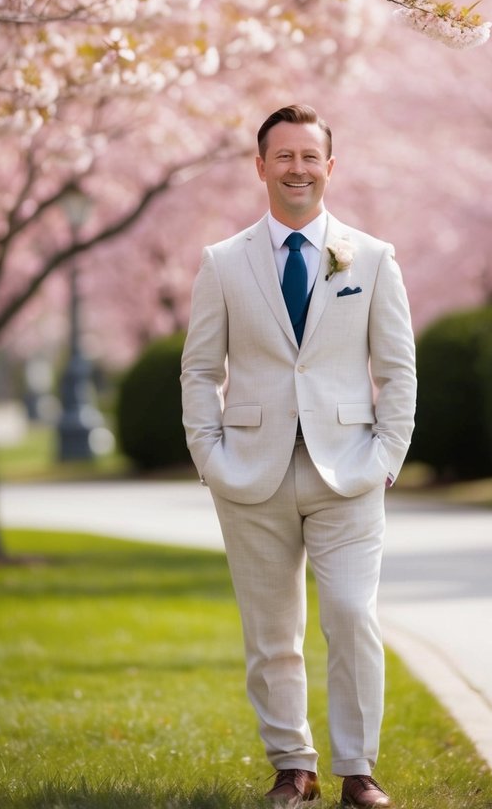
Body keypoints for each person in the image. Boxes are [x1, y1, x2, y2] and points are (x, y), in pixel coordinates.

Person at [181, 103, 416, 808]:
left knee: (350, 613)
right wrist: (209, 457)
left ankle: (358, 770)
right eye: (282, 156)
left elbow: (398, 369)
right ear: (260, 167)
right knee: (271, 631)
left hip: (348, 471)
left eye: (309, 156)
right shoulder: (222, 263)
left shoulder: (371, 259)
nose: (296, 169)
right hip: (249, 473)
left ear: (329, 167)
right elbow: (199, 371)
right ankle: (293, 766)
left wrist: (385, 457)